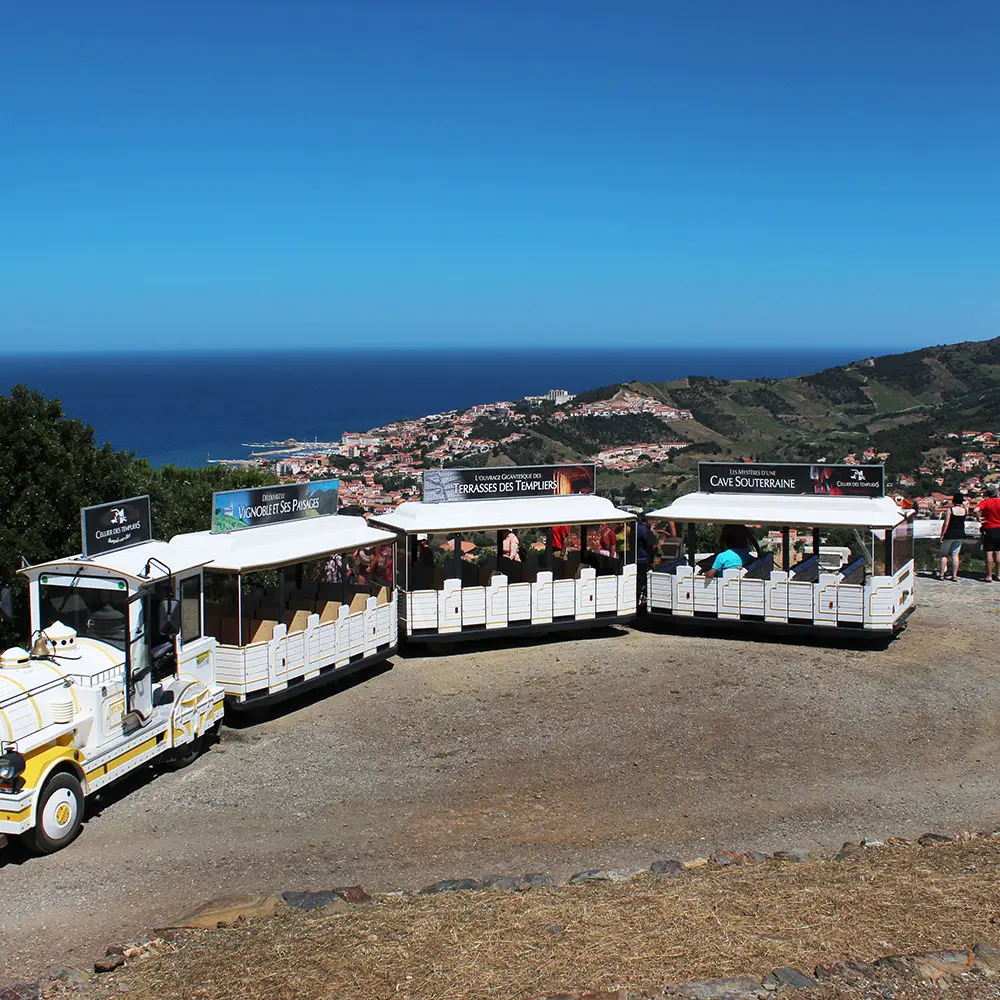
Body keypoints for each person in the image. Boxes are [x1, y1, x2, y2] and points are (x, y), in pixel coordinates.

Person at [939, 492, 967, 581]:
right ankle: (954, 575)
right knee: (955, 555)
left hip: (950, 534)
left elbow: (946, 523)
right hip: (960, 534)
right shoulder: (965, 510)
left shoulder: (950, 510)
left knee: (944, 554)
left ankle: (941, 574)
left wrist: (942, 534)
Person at [978, 485, 1000, 582]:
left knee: (988, 552)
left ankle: (989, 575)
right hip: (999, 529)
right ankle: (999, 574)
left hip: (989, 528)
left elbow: (976, 509)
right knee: (998, 552)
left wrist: (979, 518)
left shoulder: (985, 502)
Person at [636, 514, 657, 602]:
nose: (653, 522)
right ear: (647, 520)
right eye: (652, 520)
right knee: (644, 581)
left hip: (636, 559)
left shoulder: (636, 528)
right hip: (644, 559)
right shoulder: (645, 530)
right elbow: (653, 546)